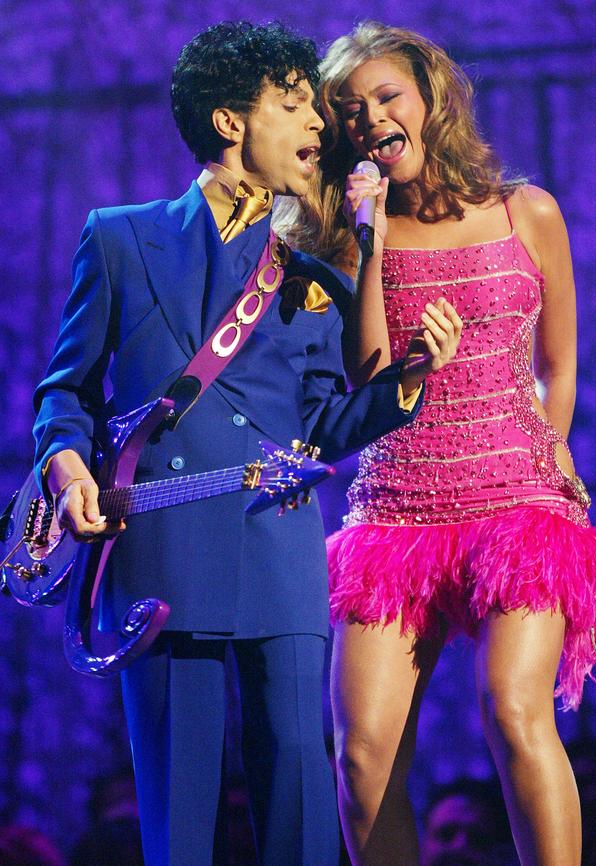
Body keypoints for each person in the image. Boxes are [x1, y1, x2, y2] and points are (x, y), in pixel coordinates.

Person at [31, 21, 460, 866]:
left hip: (279, 542)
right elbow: (65, 390)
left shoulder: (312, 276)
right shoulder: (119, 236)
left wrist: (407, 379)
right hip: (157, 544)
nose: (319, 126)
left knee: (301, 789)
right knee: (178, 816)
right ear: (231, 123)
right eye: (295, 104)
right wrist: (68, 462)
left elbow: (327, 426)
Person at [283, 20, 596, 866]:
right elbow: (366, 378)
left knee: (513, 710)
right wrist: (371, 242)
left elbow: (559, 364)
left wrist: (556, 453)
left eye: (385, 96)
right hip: (395, 512)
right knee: (359, 754)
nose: (369, 119)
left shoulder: (526, 211)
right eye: (350, 110)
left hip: (519, 498)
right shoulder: (347, 238)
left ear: (429, 98)